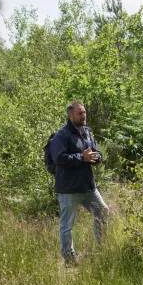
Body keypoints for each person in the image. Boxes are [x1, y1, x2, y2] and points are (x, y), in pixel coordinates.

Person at [51, 101, 109, 265]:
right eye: (80, 113)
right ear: (71, 116)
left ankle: (101, 249)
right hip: (69, 189)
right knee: (67, 226)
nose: (84, 116)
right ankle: (69, 259)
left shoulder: (87, 133)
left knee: (103, 212)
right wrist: (81, 158)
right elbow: (59, 158)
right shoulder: (61, 136)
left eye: (84, 112)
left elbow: (97, 154)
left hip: (88, 187)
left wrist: (95, 157)